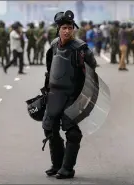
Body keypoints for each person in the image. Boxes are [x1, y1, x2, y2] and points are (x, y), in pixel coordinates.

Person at [42, 10, 97, 179]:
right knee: (50, 129)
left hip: (73, 96)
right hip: (55, 93)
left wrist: (86, 96)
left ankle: (67, 168)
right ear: (58, 29)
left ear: (74, 29)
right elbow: (50, 68)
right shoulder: (53, 45)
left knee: (72, 132)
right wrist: (45, 91)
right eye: (64, 27)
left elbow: (92, 71)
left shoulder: (81, 49)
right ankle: (57, 164)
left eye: (70, 27)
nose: (67, 31)